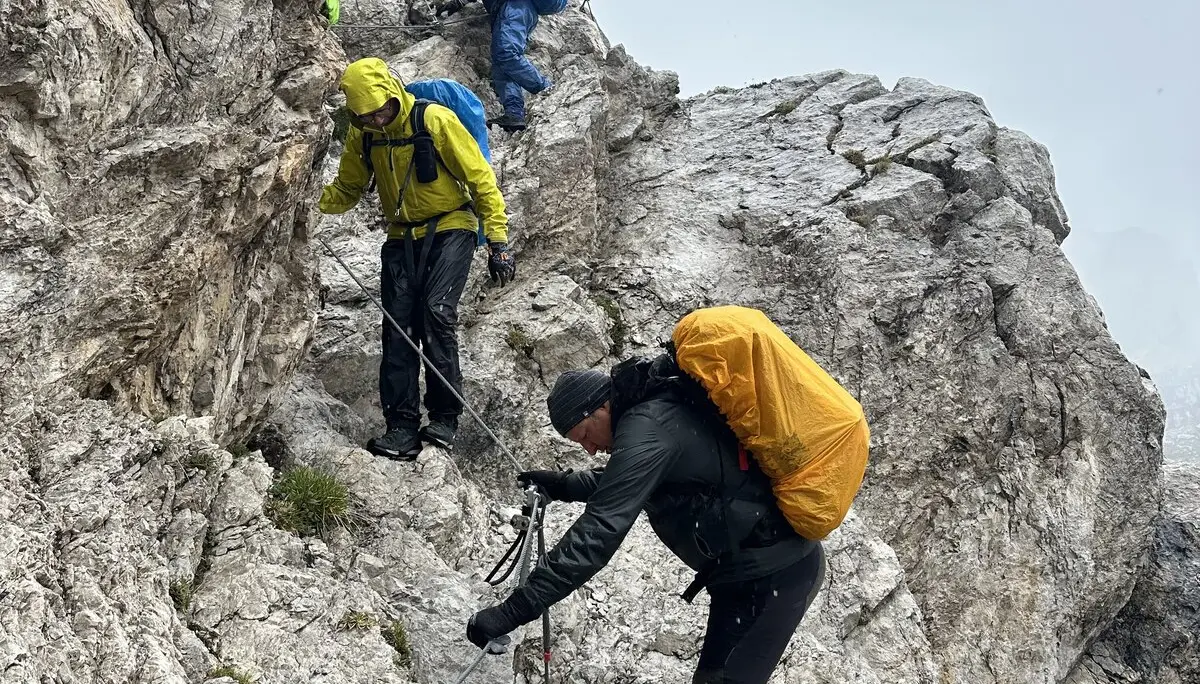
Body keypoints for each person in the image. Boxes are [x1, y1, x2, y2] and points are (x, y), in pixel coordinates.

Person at [465, 355, 827, 683]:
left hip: (777, 573)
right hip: (744, 576)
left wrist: (511, 612)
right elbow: (625, 480)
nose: (589, 449)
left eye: (585, 435)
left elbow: (599, 531)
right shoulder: (650, 416)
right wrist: (562, 485)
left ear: (602, 406)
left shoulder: (648, 427)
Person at [319, 57, 516, 460]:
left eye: (380, 111)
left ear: (393, 93)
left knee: (436, 313)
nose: (375, 120)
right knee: (397, 328)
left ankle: (444, 418)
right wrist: (306, 200)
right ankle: (401, 428)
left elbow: (480, 179)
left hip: (452, 226)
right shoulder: (365, 134)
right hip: (401, 236)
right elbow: (349, 187)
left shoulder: (435, 120)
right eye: (365, 116)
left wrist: (498, 242)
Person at [434, 0, 555, 131]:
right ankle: (514, 113)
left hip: (516, 6)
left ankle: (546, 89)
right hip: (511, 9)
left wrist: (459, 2)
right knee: (501, 63)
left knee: (506, 53)